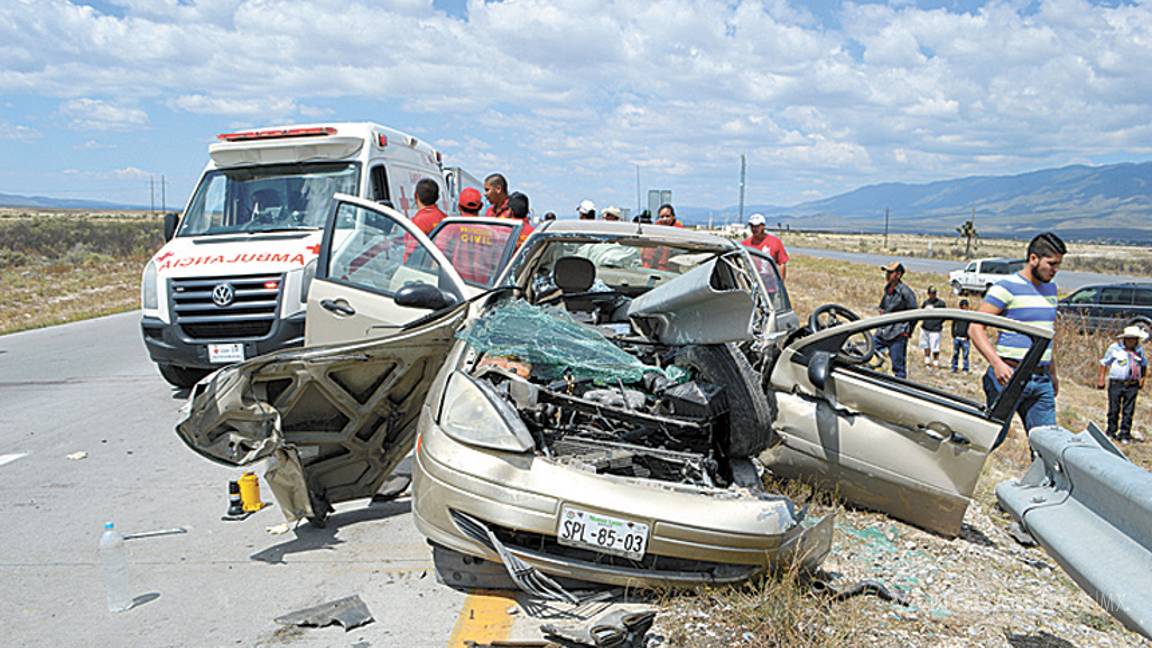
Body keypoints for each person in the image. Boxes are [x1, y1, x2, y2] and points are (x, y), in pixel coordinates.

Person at [970, 232, 1066, 441]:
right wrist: (997, 364)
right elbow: (975, 327)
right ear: (1033, 259)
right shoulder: (1006, 288)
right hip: (1009, 376)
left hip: (1042, 380)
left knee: (1047, 447)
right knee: (990, 439)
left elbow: (1046, 334)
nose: (1055, 270)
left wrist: (1053, 372)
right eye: (1051, 264)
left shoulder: (1051, 290)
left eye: (1058, 265)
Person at [1097, 326, 1148, 443]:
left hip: (1132, 384)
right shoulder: (1115, 348)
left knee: (1128, 410)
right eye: (1129, 339)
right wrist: (1101, 379)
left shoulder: (1139, 350)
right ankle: (1111, 431)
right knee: (1114, 408)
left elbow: (1144, 365)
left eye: (1134, 339)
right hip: (1116, 383)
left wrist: (1142, 379)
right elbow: (1104, 363)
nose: (1132, 341)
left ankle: (1125, 434)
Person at [875, 262, 918, 379]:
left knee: (898, 367)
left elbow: (915, 313)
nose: (887, 275)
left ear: (898, 275)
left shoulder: (905, 292)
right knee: (870, 351)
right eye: (887, 272)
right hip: (883, 331)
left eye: (890, 272)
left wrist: (908, 331)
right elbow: (883, 308)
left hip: (898, 333)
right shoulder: (887, 289)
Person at [740, 213, 790, 278]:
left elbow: (782, 263)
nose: (754, 229)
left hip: (771, 282)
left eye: (757, 226)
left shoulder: (775, 242)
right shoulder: (745, 244)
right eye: (752, 226)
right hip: (752, 280)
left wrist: (781, 282)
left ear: (763, 226)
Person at [919, 286, 947, 371]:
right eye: (931, 293)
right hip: (925, 328)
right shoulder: (926, 303)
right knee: (926, 345)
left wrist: (938, 323)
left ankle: (936, 362)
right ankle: (927, 360)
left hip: (935, 329)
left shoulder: (941, 304)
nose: (933, 295)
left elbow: (945, 315)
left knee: (935, 346)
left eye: (934, 293)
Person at [951, 298, 971, 373]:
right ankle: (954, 367)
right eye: (962, 306)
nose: (964, 307)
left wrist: (968, 336)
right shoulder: (957, 315)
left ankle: (965, 368)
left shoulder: (969, 316)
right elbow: (953, 325)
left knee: (965, 355)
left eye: (965, 306)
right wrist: (953, 334)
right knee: (955, 353)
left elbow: (970, 327)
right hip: (957, 337)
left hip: (965, 339)